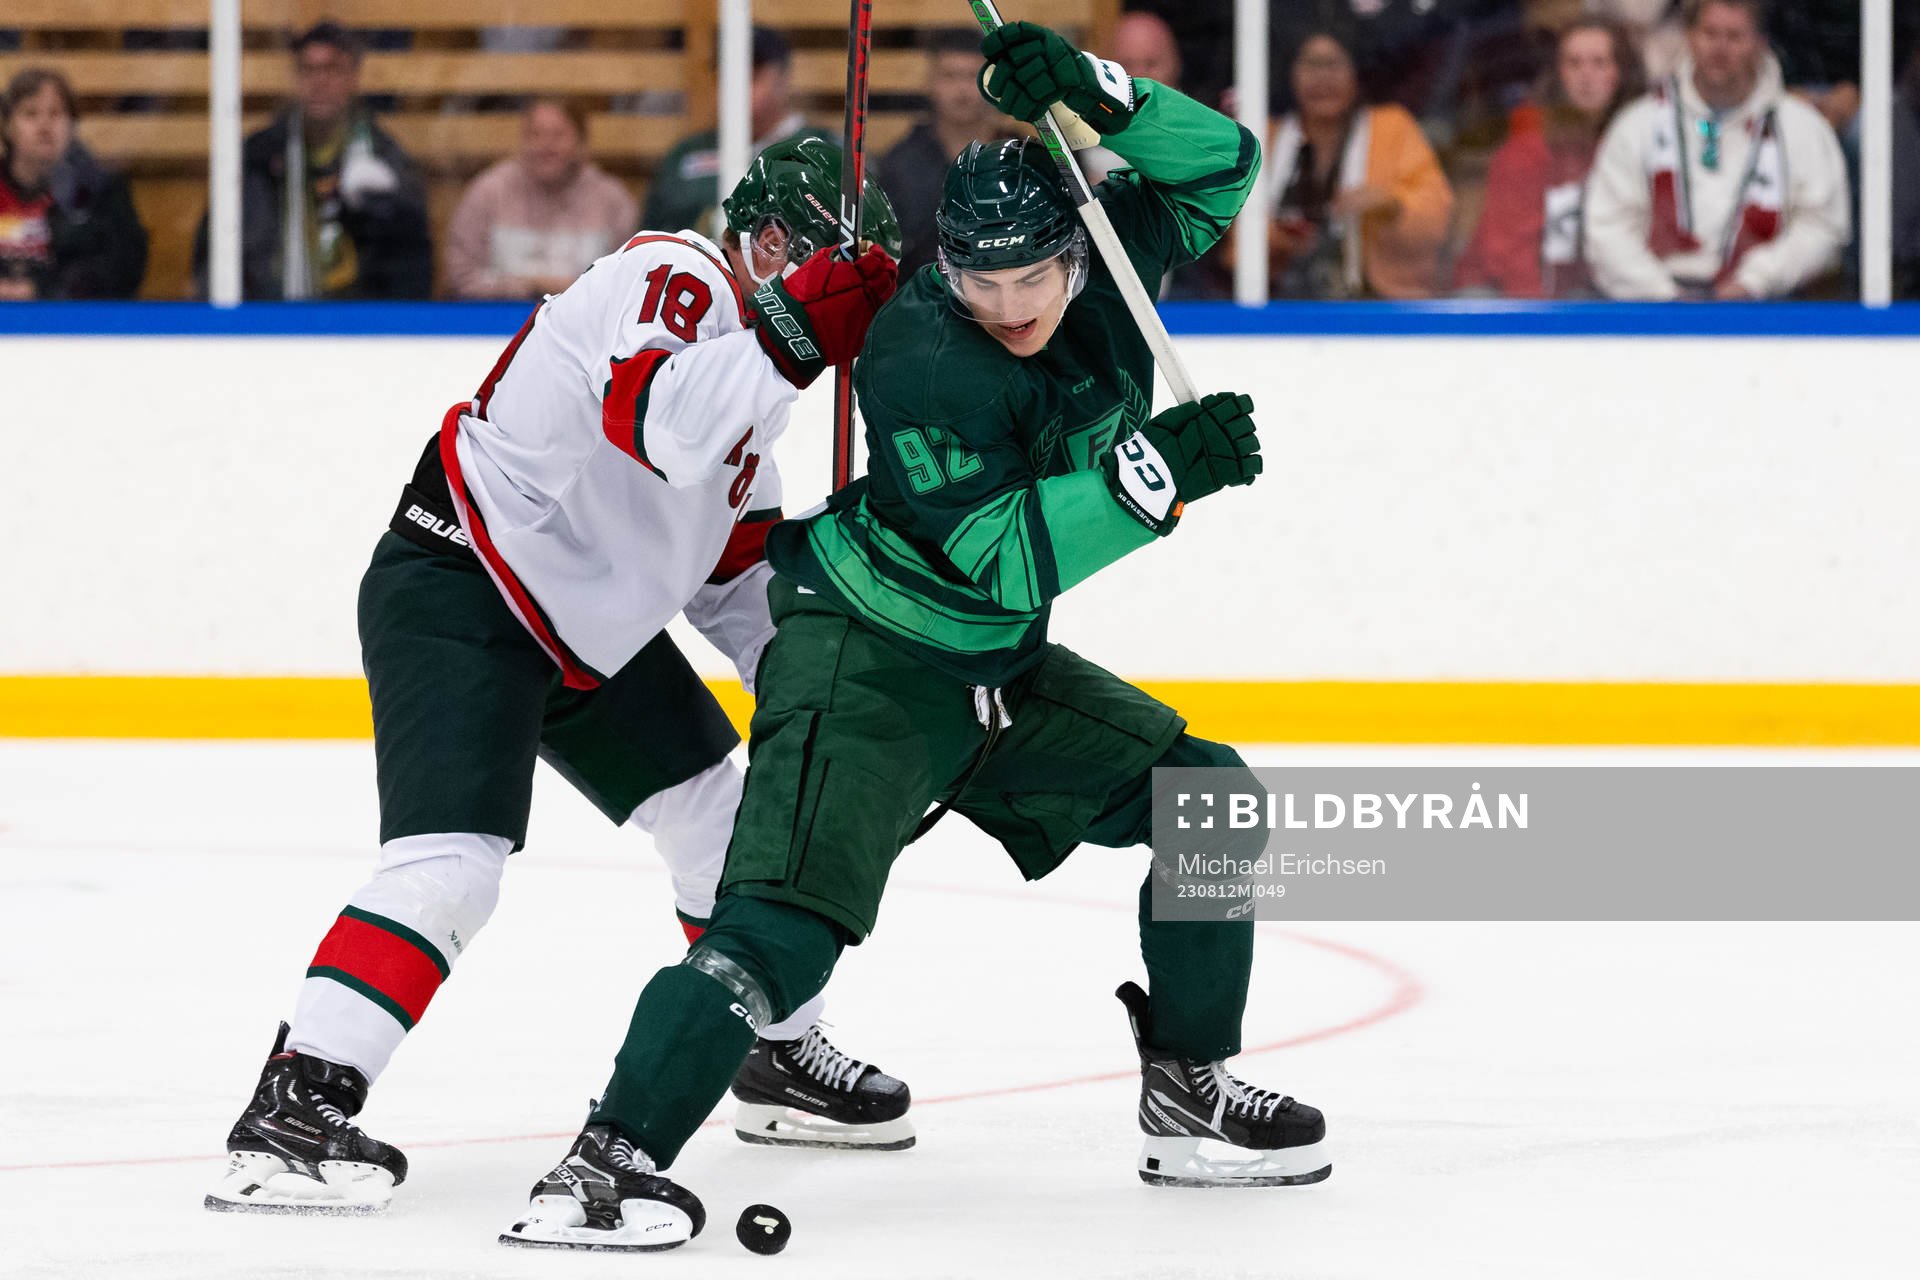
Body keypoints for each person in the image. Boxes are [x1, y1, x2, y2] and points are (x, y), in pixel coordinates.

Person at [499, 21, 1323, 1254]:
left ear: (1074, 253)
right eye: (977, 281)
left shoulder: (1107, 246)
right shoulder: (921, 352)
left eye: (1028, 280)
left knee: (1210, 797)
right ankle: (603, 1163)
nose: (1004, 306)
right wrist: (1152, 479)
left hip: (993, 666)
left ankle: (1187, 1086)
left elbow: (1221, 168)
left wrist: (1103, 94)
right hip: (865, 663)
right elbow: (993, 546)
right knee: (776, 928)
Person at [205, 138, 911, 1216]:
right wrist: (796, 325)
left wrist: (824, 700)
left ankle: (772, 1049)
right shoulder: (674, 275)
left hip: (585, 634)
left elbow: (731, 584)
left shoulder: (754, 402)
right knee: (453, 863)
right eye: (824, 275)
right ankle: (297, 1099)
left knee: (727, 822)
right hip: (466, 583)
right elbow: (660, 421)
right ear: (770, 245)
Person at [1584, 0, 1849, 300]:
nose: (1720, 48)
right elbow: (1607, 229)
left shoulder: (1801, 128)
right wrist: (1663, 294)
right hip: (1653, 313)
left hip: (1769, 314)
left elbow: (1822, 226)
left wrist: (1755, 281)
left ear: (1760, 43)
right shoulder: (1638, 125)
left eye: (1734, 37)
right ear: (1689, 37)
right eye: (1710, 33)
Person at [193, 20, 432, 300]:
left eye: (332, 69)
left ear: (353, 77)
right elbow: (213, 251)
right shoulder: (257, 157)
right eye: (309, 69)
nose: (320, 81)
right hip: (268, 321)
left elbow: (411, 263)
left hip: (362, 325)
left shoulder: (385, 160)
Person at [1244, 29, 1454, 300]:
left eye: (1333, 64)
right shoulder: (1264, 136)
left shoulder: (1392, 128)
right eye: (1311, 65)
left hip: (1377, 303)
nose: (1323, 78)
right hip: (1275, 302)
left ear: (1357, 73)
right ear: (1290, 74)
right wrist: (1282, 237)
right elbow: (1232, 235)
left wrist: (1391, 204)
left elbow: (1438, 218)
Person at [1453, 19, 1644, 298]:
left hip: (1594, 291)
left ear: (1621, 72)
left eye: (1599, 63)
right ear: (1559, 74)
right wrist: (1544, 327)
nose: (1586, 76)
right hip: (1506, 295)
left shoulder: (1641, 140)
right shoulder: (1528, 147)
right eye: (1574, 64)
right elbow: (1513, 256)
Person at [642, 27, 829, 242]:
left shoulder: (823, 151)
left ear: (783, 77)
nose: (737, 86)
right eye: (727, 75)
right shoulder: (685, 155)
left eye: (753, 75)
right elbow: (651, 239)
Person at [443, 99, 638, 300]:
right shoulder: (488, 193)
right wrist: (526, 287)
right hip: (498, 321)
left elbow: (627, 282)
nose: (546, 145)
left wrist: (573, 289)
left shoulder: (612, 201)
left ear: (582, 142)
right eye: (535, 134)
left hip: (588, 325)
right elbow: (461, 277)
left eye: (558, 135)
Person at [871, 29, 1017, 278]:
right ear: (930, 82)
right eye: (949, 76)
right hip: (924, 300)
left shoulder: (1020, 155)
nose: (962, 90)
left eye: (973, 76)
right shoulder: (899, 165)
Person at [0, 68, 147, 300]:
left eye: (56, 114)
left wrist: (41, 290)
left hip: (74, 327)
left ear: (72, 126)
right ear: (8, 126)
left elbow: (121, 269)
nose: (44, 125)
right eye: (30, 114)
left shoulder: (101, 189)